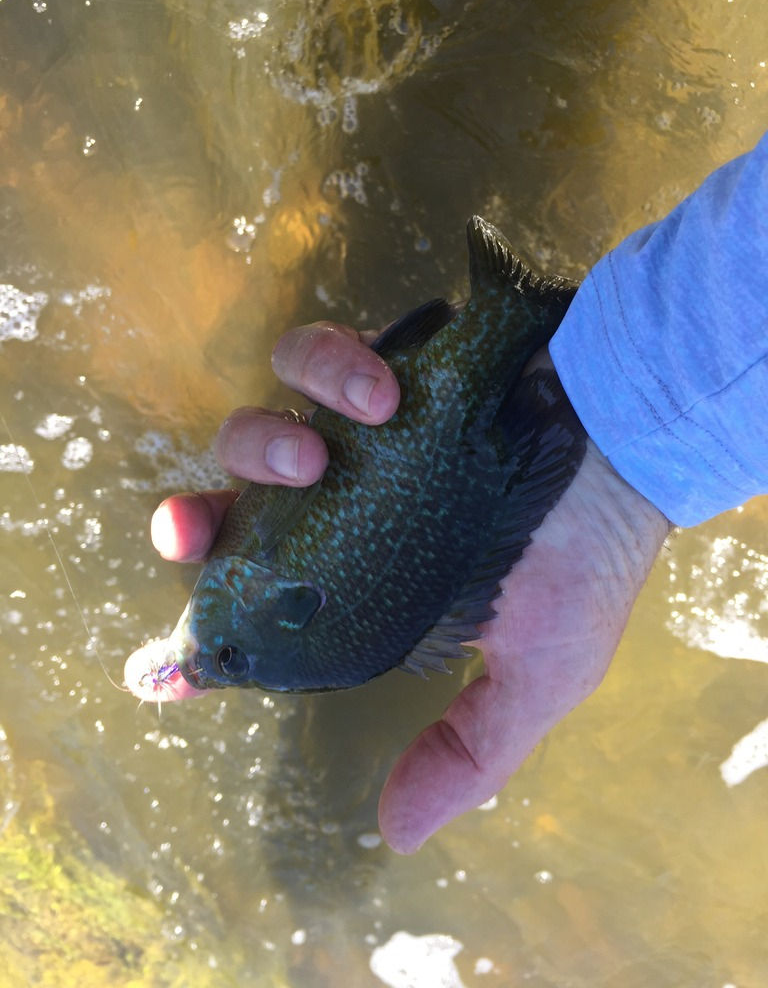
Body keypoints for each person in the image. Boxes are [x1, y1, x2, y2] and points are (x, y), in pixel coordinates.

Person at [148, 131, 768, 854]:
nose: (208, 661)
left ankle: (520, 326)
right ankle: (523, 325)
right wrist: (612, 398)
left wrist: (619, 393)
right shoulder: (264, 600)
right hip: (570, 416)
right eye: (227, 660)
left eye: (229, 664)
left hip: (541, 417)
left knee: (349, 416)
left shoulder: (283, 611)